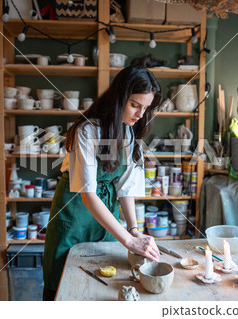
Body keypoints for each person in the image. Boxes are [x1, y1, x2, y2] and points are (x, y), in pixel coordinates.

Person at [42, 66, 162, 300]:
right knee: (66, 284)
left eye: (145, 108)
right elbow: (88, 195)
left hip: (105, 211)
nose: (140, 114)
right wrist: (127, 240)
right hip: (74, 209)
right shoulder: (87, 130)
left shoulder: (128, 131)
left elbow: (125, 188)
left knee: (102, 281)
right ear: (119, 98)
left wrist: (134, 231)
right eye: (135, 105)